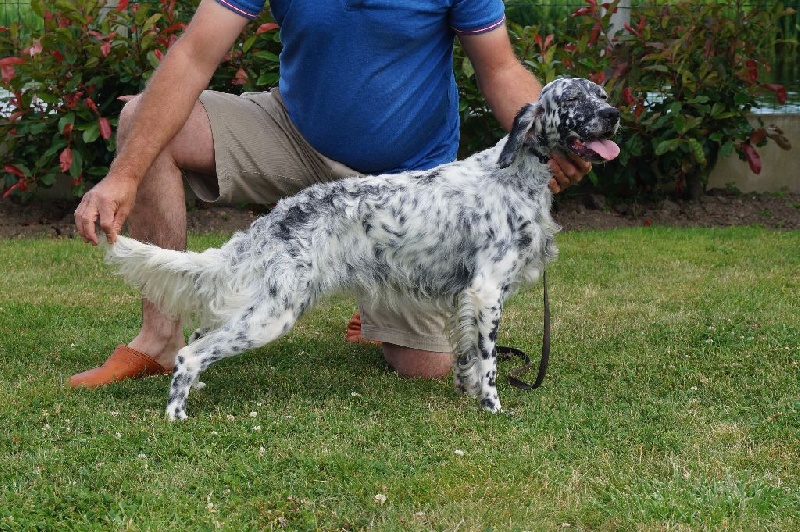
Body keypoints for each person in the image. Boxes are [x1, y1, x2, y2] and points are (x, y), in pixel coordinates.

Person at [70, 0, 591, 388]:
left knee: (424, 370)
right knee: (144, 118)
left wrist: (554, 146)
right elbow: (193, 55)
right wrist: (124, 176)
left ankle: (370, 289)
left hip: (402, 183)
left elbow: (499, 68)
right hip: (293, 134)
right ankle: (160, 340)